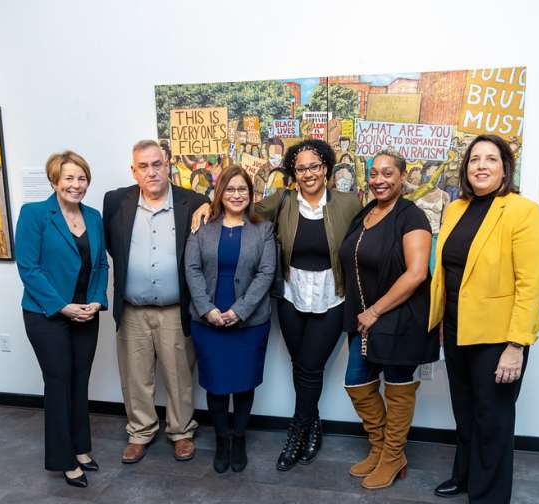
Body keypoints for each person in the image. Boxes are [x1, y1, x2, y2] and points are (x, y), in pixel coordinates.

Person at [192, 138, 362, 470]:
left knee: (311, 369)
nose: (309, 173)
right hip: (291, 299)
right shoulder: (282, 201)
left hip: (331, 299)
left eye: (315, 166)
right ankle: (313, 426)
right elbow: (240, 207)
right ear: (292, 173)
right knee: (301, 367)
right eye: (301, 168)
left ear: (326, 167)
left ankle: (296, 434)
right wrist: (204, 204)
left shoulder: (348, 203)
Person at [428, 134, 539, 504]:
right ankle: (465, 476)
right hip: (458, 329)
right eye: (474, 159)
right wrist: (442, 324)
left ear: (505, 168)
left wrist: (516, 345)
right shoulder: (456, 208)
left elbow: (531, 286)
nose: (481, 165)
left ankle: (489, 503)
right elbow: (448, 274)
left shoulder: (523, 212)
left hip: (499, 338)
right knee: (465, 413)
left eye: (490, 159)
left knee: (492, 418)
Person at [103, 139, 210, 464]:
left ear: (168, 165)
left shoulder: (192, 201)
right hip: (132, 309)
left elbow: (216, 208)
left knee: (179, 375)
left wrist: (208, 203)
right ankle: (140, 432)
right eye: (143, 166)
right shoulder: (116, 202)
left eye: (157, 164)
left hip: (175, 310)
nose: (151, 172)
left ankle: (181, 432)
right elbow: (112, 247)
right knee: (135, 376)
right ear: (133, 170)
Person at [338, 149, 439, 489]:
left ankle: (394, 455)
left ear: (402, 175)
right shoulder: (366, 213)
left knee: (397, 388)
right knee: (357, 383)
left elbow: (415, 274)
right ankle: (380, 448)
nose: (379, 180)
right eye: (374, 173)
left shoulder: (412, 217)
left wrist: (375, 310)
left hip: (400, 318)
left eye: (387, 173)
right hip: (364, 319)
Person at [15, 151, 108, 488]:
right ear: (55, 180)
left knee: (80, 380)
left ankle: (82, 448)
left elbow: (100, 266)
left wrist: (96, 301)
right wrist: (62, 306)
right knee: (58, 382)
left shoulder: (94, 217)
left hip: (86, 313)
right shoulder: (35, 214)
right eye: (69, 178)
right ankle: (63, 458)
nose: (76, 184)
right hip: (47, 315)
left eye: (81, 178)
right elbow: (29, 269)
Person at [184, 165, 275, 473]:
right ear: (220, 192)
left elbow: (266, 273)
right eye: (231, 189)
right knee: (217, 384)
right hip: (207, 318)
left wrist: (240, 310)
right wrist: (206, 308)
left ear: (251, 194)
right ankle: (222, 439)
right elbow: (192, 269)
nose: (237, 195)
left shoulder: (263, 228)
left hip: (249, 321)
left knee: (244, 383)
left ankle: (239, 439)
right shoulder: (203, 225)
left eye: (243, 190)